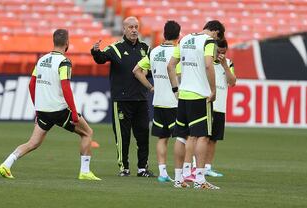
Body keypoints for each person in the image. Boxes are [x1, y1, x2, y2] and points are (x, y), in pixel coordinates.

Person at [0, 29, 100, 180]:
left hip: (43, 110)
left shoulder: (41, 59)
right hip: (59, 109)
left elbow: (31, 85)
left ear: (53, 41)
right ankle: (85, 171)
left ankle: (6, 164)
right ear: (67, 43)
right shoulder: (64, 62)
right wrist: (73, 111)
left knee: (33, 142)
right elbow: (65, 87)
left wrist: (37, 110)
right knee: (87, 133)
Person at [91, 17, 154, 177]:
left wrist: (148, 74)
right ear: (124, 29)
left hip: (141, 99)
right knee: (123, 136)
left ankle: (142, 168)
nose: (134, 30)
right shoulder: (116, 48)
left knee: (143, 135)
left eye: (136, 27)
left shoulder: (145, 48)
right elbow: (101, 59)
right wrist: (95, 51)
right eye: (130, 27)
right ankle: (124, 168)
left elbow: (152, 71)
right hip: (122, 100)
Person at [167, 20, 225, 189]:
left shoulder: (184, 39)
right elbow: (208, 65)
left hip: (183, 94)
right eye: (218, 36)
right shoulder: (208, 41)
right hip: (200, 95)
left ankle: (178, 178)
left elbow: (171, 65)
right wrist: (213, 91)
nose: (217, 40)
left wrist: (175, 89)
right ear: (214, 32)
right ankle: (199, 180)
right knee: (203, 136)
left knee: (181, 136)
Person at [133, 20, 181, 182]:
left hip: (159, 101)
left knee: (162, 138)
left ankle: (162, 173)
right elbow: (178, 75)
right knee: (183, 138)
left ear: (164, 33)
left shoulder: (153, 52)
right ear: (178, 35)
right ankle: (183, 172)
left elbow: (137, 71)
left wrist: (150, 87)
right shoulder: (177, 52)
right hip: (175, 102)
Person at [205, 38, 236, 177]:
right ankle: (195, 166)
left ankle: (207, 167)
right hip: (207, 103)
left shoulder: (228, 63)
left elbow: (232, 82)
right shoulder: (207, 62)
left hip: (220, 107)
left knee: (214, 139)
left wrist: (225, 66)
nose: (220, 55)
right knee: (202, 137)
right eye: (218, 52)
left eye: (223, 52)